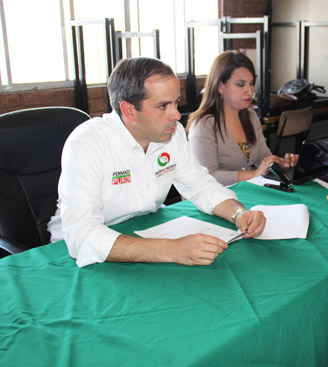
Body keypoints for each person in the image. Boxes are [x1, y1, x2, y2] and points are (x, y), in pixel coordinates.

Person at [47, 57, 266, 268]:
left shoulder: (173, 133)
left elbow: (201, 187)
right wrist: (171, 250)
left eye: (176, 102)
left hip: (144, 234)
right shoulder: (87, 143)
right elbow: (82, 236)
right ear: (129, 110)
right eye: (163, 106)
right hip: (77, 257)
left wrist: (239, 214)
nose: (176, 115)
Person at [187, 51, 297, 186]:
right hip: (215, 198)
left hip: (245, 191)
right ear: (220, 86)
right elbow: (207, 176)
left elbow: (263, 156)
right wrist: (255, 174)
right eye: (240, 84)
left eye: (251, 83)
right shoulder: (204, 124)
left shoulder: (250, 115)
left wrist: (281, 163)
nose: (249, 91)